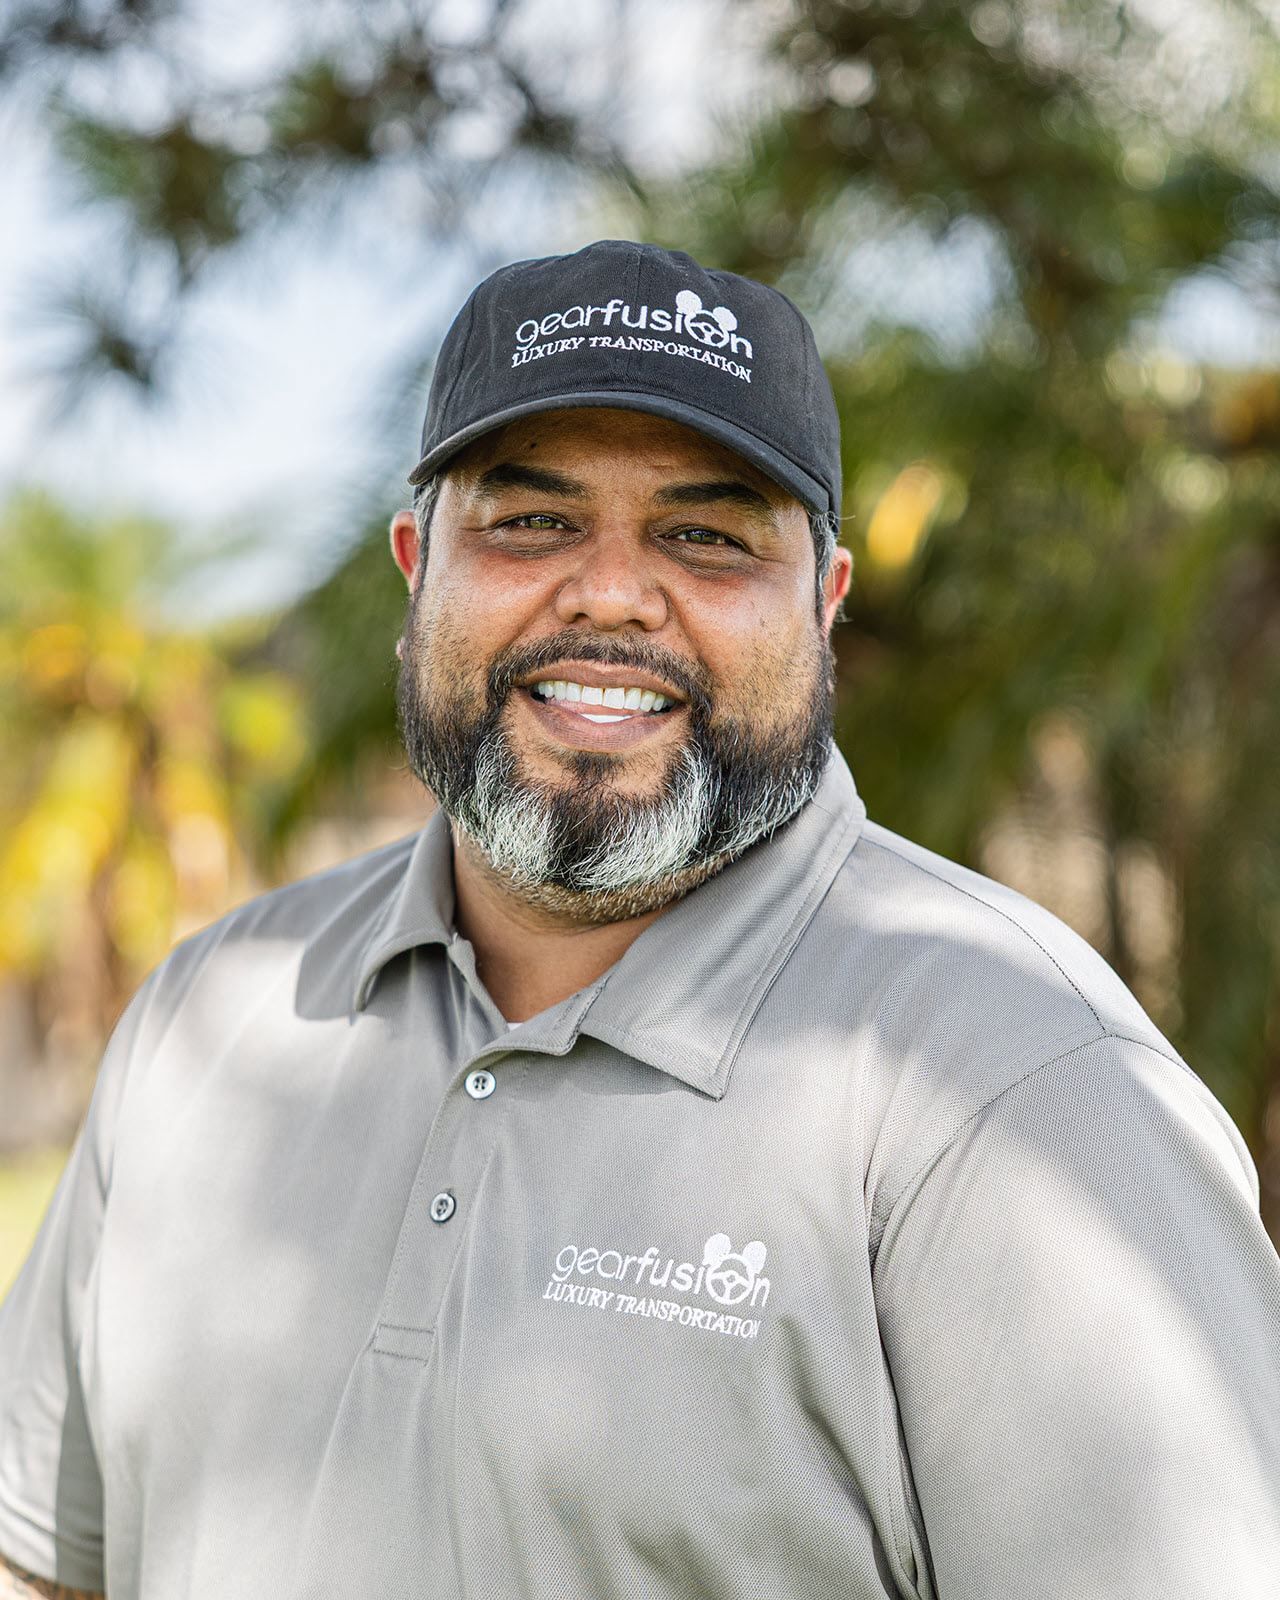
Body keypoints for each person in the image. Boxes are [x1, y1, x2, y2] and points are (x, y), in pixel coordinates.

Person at [1, 239, 1277, 1600]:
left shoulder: (1028, 1092)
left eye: (707, 535)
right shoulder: (208, 1022)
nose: (610, 591)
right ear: (413, 570)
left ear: (825, 607)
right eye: (532, 522)